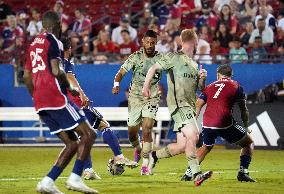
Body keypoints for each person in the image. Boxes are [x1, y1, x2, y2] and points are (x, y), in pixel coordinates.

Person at [23, 11, 98, 194]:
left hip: (40, 101)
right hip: (54, 96)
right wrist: (69, 88)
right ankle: (75, 178)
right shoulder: (53, 41)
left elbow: (26, 77)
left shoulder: (32, 44)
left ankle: (48, 182)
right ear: (57, 25)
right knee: (89, 135)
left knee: (72, 143)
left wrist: (36, 98)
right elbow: (57, 71)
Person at [61, 38, 138, 180]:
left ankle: (88, 170)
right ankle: (119, 156)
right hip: (77, 102)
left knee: (83, 136)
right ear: (69, 49)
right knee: (103, 125)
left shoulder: (54, 63)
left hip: (65, 105)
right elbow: (71, 77)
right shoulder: (66, 62)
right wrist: (82, 95)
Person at [142, 29, 212, 186]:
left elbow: (201, 89)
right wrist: (145, 86)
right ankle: (196, 173)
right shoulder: (173, 57)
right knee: (194, 135)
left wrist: (202, 79)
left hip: (189, 107)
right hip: (179, 105)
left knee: (182, 146)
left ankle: (154, 156)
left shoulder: (194, 64)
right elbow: (153, 68)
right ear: (194, 42)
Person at [181, 65, 255, 183]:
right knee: (248, 143)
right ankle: (243, 173)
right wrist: (245, 125)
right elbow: (243, 109)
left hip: (208, 123)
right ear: (231, 75)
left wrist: (192, 124)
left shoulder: (210, 86)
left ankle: (188, 173)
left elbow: (198, 105)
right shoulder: (236, 86)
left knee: (206, 146)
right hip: (224, 122)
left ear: (218, 75)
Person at [112, 30, 163, 175]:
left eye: (153, 43)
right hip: (135, 97)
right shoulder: (135, 57)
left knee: (147, 128)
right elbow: (121, 72)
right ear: (143, 42)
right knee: (132, 133)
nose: (150, 45)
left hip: (152, 96)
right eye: (147, 42)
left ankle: (146, 164)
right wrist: (116, 85)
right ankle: (138, 149)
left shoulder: (162, 59)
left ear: (156, 43)